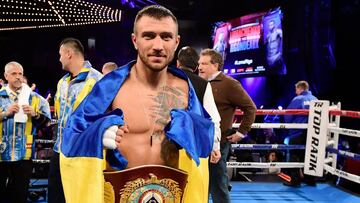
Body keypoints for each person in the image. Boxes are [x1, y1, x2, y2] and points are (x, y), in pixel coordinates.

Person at [58, 5, 214, 203]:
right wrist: (97, 134)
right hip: (118, 194)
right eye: (149, 36)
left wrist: (192, 127)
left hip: (173, 195)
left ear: (176, 42)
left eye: (166, 37)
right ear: (135, 40)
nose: (158, 45)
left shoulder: (188, 90)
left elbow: (204, 146)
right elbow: (73, 136)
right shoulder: (110, 88)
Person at [48, 38, 102, 203]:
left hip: (82, 154)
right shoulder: (62, 82)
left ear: (68, 53)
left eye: (60, 54)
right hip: (59, 151)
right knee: (55, 197)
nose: (59, 59)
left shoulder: (97, 80)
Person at [198, 48, 257, 203]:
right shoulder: (199, 82)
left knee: (218, 183)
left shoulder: (229, 84)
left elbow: (251, 108)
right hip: (199, 141)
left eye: (204, 63)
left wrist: (241, 132)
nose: (200, 67)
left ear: (215, 65)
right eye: (199, 63)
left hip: (220, 141)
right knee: (200, 183)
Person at [0, 61, 51, 203]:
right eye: (13, 74)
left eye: (20, 74)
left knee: (19, 196)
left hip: (24, 155)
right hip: (1, 155)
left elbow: (47, 124)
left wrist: (36, 114)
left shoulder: (35, 99)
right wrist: (5, 113)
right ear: (6, 76)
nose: (18, 77)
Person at [177, 46, 221, 201]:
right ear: (196, 66)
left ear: (177, 63)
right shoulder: (203, 84)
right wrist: (215, 146)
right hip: (194, 148)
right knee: (193, 193)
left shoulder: (166, 79)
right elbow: (213, 119)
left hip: (167, 146)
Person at [283, 80, 317, 187]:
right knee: (309, 155)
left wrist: (289, 126)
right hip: (312, 133)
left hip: (297, 132)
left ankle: (295, 181)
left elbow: (288, 115)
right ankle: (310, 180)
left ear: (300, 88)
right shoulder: (315, 99)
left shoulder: (298, 99)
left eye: (296, 89)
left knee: (295, 155)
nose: (295, 91)